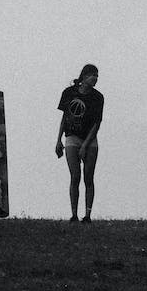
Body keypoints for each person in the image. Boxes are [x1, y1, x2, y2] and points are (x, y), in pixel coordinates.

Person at [55, 64, 104, 222]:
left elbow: (97, 123)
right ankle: (74, 213)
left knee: (88, 177)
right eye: (92, 75)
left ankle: (88, 214)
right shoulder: (69, 93)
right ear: (84, 76)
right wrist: (58, 139)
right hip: (72, 136)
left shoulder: (98, 97)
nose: (95, 79)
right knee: (75, 175)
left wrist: (85, 145)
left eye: (97, 76)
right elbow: (64, 117)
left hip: (89, 138)